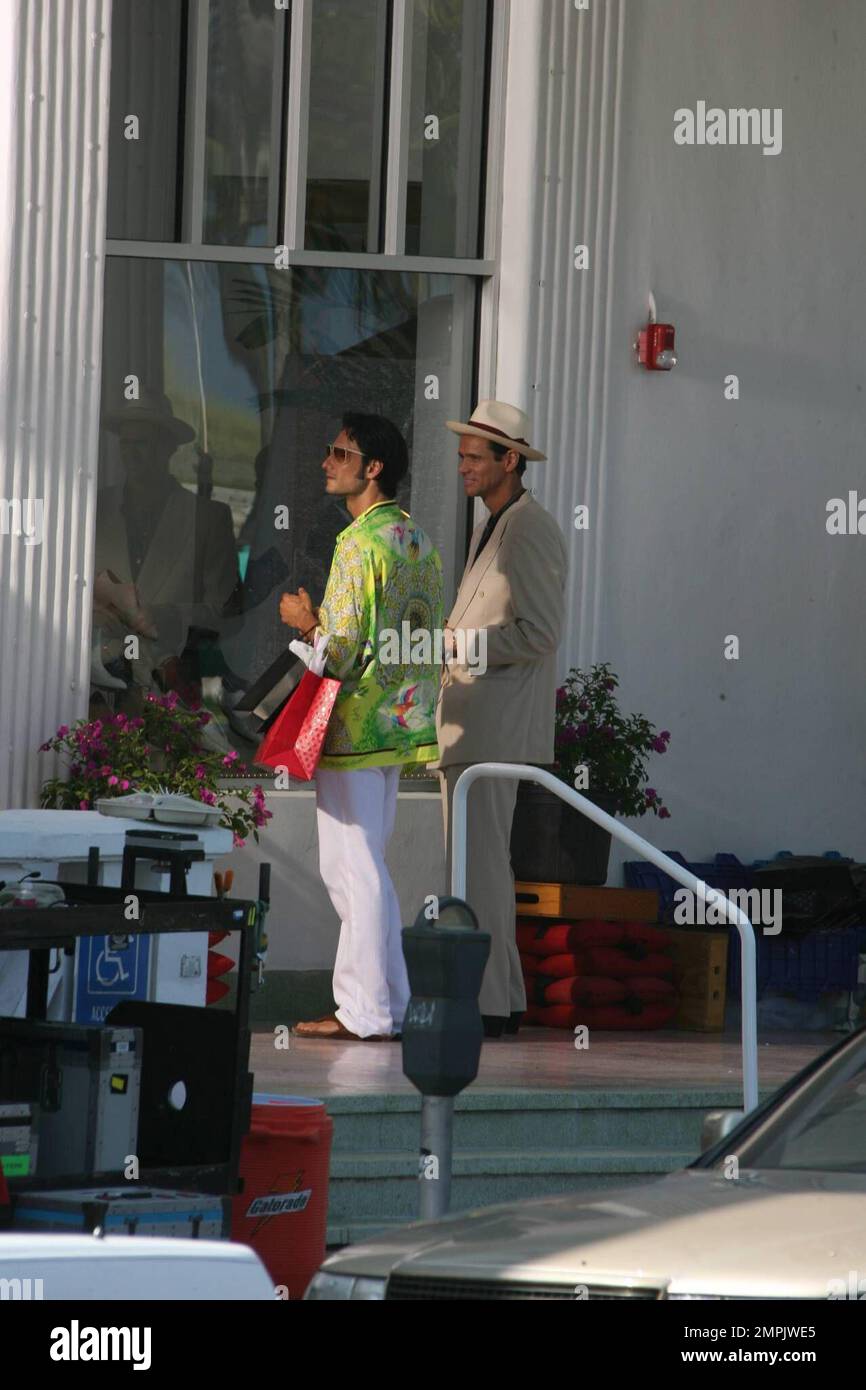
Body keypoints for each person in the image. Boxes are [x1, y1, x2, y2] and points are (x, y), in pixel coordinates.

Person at [281, 414, 443, 1042]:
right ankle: (388, 1003)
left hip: (354, 724)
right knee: (365, 864)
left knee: (351, 867)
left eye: (340, 452)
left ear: (372, 467)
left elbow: (340, 653)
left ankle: (366, 1010)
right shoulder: (417, 539)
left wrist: (304, 620)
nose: (327, 462)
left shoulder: (358, 544)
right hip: (402, 720)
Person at [435, 400, 567, 1037]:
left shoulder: (529, 526)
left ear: (508, 461)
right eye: (461, 454)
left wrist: (459, 648)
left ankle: (485, 1005)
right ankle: (503, 997)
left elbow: (539, 633)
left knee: (478, 866)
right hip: (474, 724)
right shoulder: (495, 523)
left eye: (473, 456)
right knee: (480, 864)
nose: (462, 465)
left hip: (494, 728)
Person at [96, 389, 239, 706]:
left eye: (142, 443)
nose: (131, 453)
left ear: (168, 447)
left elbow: (227, 612)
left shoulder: (208, 518)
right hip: (95, 696)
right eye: (125, 442)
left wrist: (165, 616)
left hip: (171, 701)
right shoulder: (94, 509)